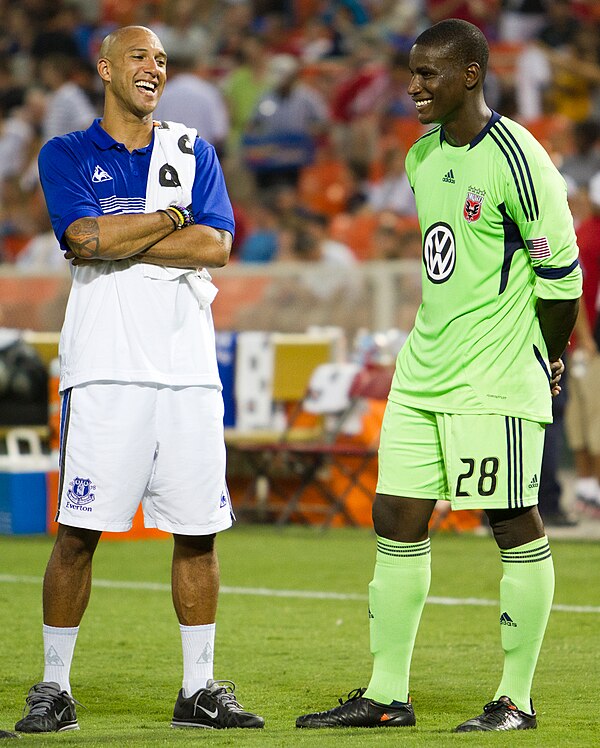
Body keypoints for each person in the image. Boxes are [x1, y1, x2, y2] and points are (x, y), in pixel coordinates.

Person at [296, 18, 581, 733]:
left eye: (429, 74)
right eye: (412, 72)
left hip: (493, 373)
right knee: (394, 513)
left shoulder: (520, 158)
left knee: (511, 520)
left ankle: (516, 700)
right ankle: (387, 695)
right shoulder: (421, 157)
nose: (414, 86)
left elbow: (563, 280)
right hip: (423, 372)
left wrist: (546, 358)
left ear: (472, 75)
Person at [14, 25, 263, 734]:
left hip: (187, 371)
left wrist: (131, 232)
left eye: (160, 59)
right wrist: (172, 219)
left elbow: (215, 244)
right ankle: (55, 688)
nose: (154, 67)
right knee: (78, 533)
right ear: (105, 69)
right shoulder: (66, 152)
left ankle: (199, 689)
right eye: (139, 56)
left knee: (199, 532)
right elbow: (82, 240)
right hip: (106, 368)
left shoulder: (192, 150)